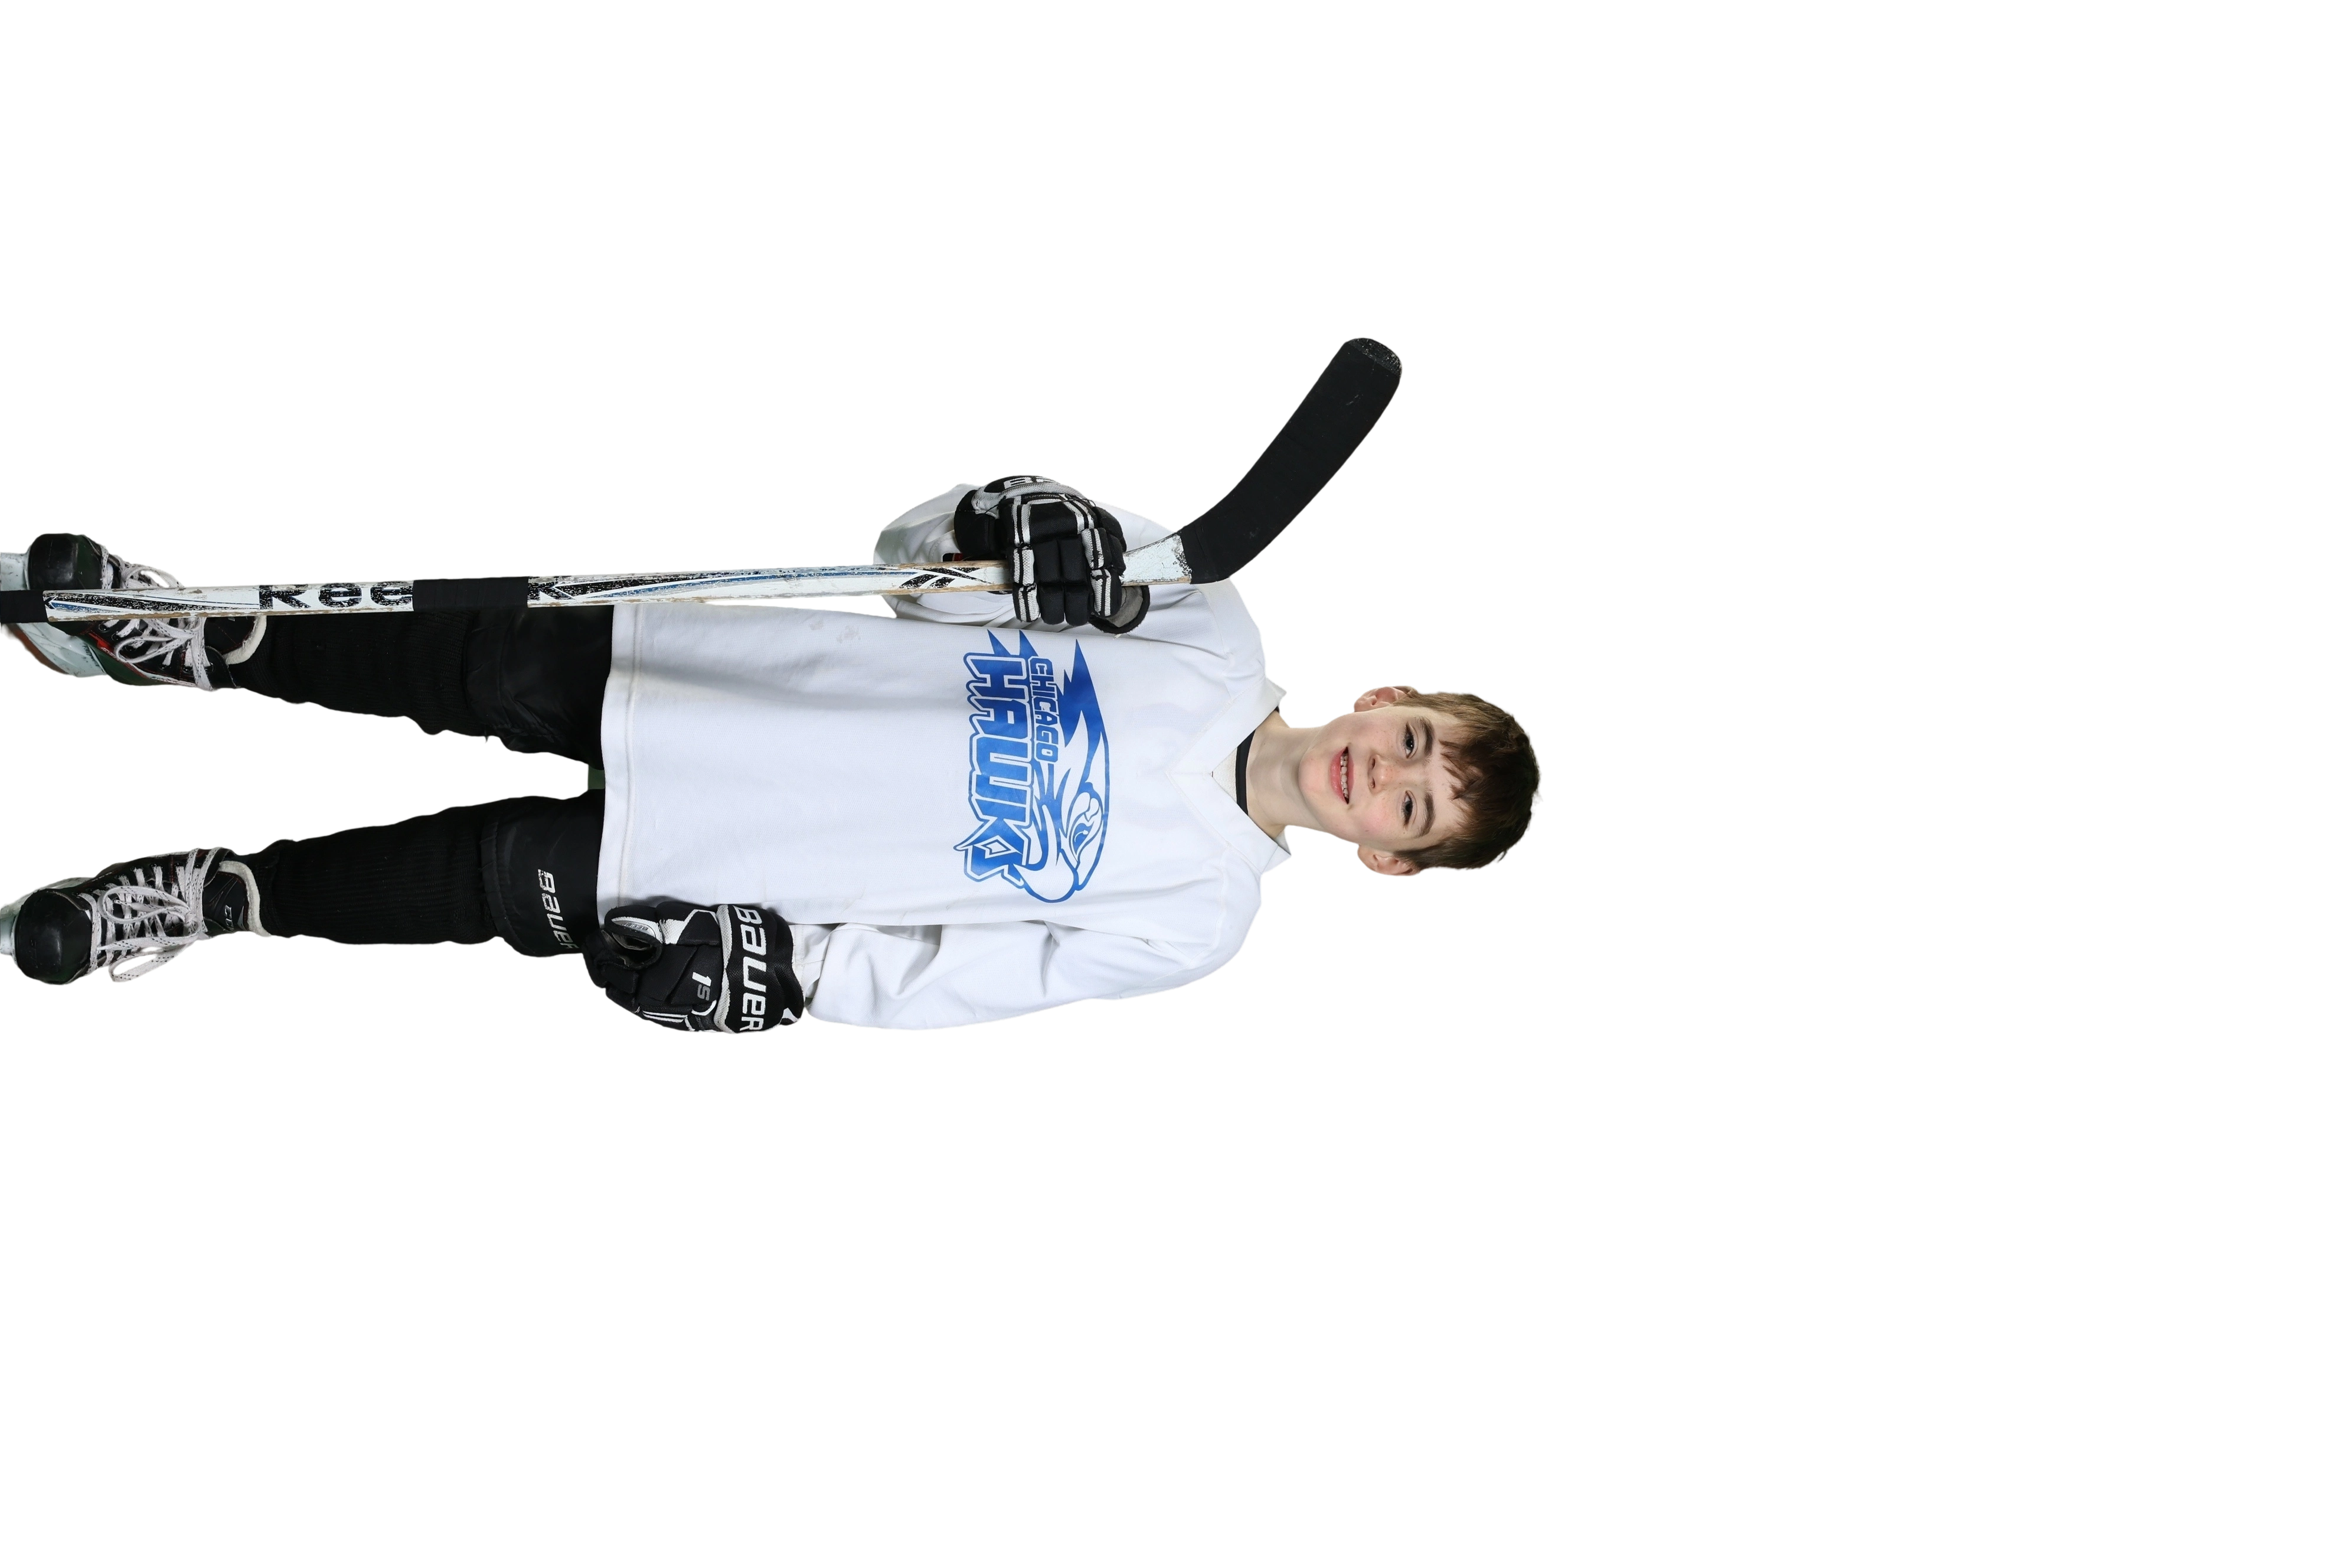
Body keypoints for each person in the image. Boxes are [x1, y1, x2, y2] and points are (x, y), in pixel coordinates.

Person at [1, 482, 1543, 1033]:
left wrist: (782, 979)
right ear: (1386, 698)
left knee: (449, 882)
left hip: (719, 866)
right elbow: (917, 550)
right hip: (710, 679)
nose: (1384, 773)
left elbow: (960, 978)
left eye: (1412, 807)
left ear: (1388, 857)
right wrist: (1010, 520)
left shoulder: (1198, 917)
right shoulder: (1203, 621)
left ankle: (198, 904)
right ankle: (175, 635)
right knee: (443, 655)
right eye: (1412, 739)